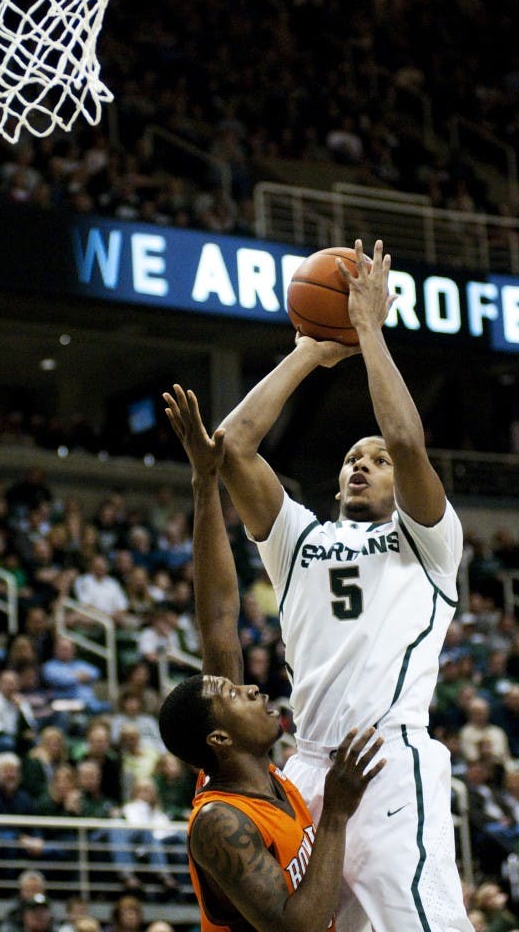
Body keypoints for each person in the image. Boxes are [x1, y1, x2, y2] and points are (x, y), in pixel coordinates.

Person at [217, 239, 473, 931]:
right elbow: (231, 446)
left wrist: (367, 330)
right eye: (352, 458)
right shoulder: (298, 540)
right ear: (336, 482)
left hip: (389, 760)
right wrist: (309, 351)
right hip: (306, 768)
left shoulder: (428, 542)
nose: (363, 464)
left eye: (377, 461)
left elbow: (408, 441)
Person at [158, 385, 384, 932]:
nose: (251, 688)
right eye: (234, 694)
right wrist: (335, 813)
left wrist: (205, 484)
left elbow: (218, 618)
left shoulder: (263, 778)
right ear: (220, 738)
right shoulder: (220, 822)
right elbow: (294, 928)